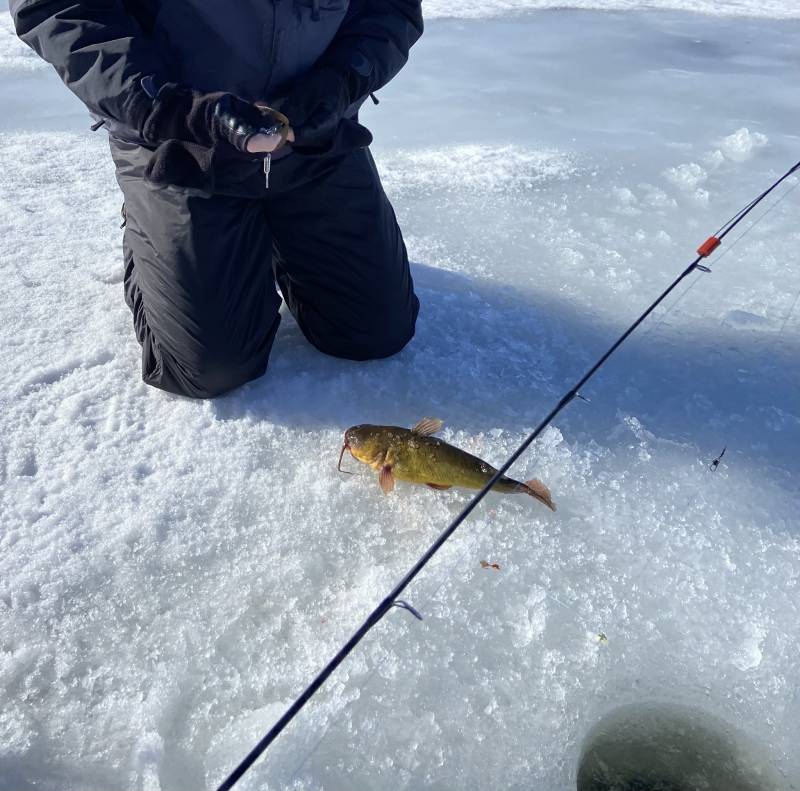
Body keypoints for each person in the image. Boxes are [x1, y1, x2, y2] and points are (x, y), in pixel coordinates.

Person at [10, 0, 423, 398]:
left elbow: (390, 8)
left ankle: (272, 231)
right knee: (209, 368)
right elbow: (57, 7)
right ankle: (151, 226)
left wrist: (342, 80)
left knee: (375, 331)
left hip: (311, 132)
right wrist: (160, 103)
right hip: (178, 137)